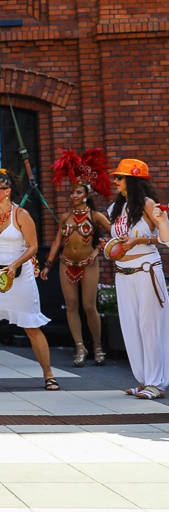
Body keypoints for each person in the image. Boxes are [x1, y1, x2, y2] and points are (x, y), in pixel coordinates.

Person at [0, 170, 59, 391]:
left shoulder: (21, 215)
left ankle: (49, 375)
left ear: (6, 192)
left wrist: (15, 265)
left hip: (20, 275)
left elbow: (34, 247)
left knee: (31, 326)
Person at [41, 149, 112, 367]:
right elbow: (56, 243)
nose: (73, 196)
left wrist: (95, 251)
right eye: (72, 192)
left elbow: (113, 235)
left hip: (88, 264)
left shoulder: (95, 216)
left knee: (89, 306)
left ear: (87, 195)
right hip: (65, 264)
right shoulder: (65, 217)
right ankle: (80, 347)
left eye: (78, 192)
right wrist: (47, 265)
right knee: (71, 305)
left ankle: (97, 346)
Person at [108, 159, 169, 400]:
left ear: (132, 180)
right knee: (131, 327)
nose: (115, 181)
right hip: (123, 273)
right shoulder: (116, 208)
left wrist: (140, 241)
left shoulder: (148, 204)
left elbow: (166, 239)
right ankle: (144, 380)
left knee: (149, 326)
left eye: (119, 177)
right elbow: (119, 240)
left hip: (146, 270)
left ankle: (157, 382)